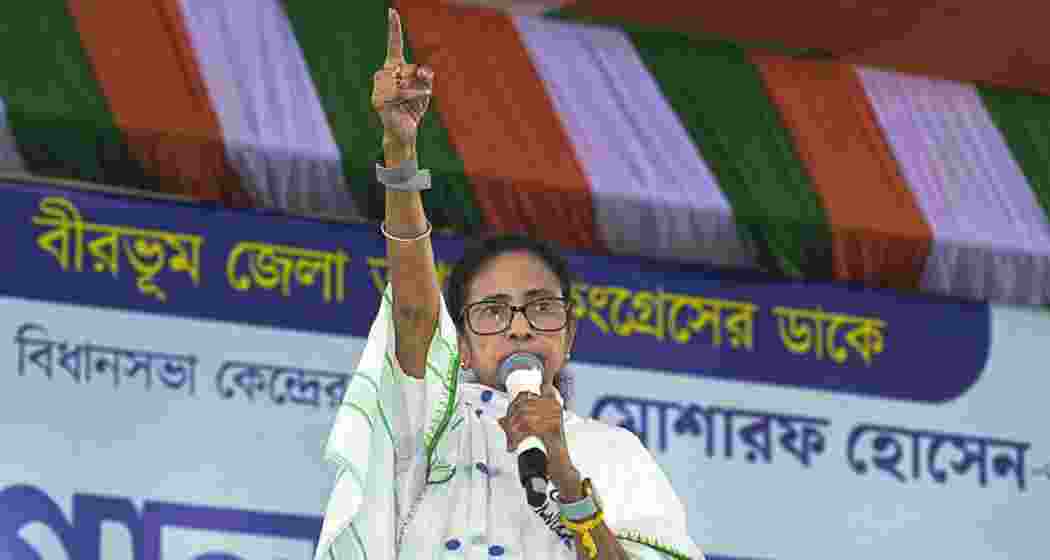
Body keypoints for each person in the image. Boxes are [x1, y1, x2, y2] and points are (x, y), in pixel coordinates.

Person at [314, 9, 705, 560]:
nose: (520, 327)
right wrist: (400, 154)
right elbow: (413, 315)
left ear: (569, 335)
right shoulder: (426, 424)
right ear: (464, 346)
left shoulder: (614, 453)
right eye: (493, 311)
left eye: (541, 308)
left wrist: (566, 475)